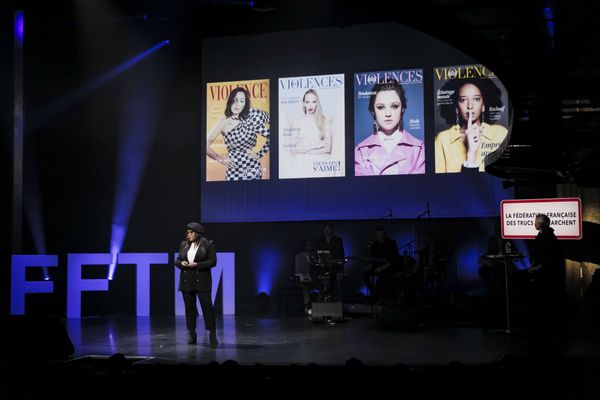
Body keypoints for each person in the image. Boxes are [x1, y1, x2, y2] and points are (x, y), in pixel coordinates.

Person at [434, 77, 508, 173]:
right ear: (456, 107)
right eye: (463, 100)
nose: (470, 106)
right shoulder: (442, 139)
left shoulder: (501, 133)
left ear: (483, 106)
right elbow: (440, 184)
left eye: (476, 99)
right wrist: (471, 153)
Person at [355, 79, 425, 176]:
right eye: (381, 107)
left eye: (394, 106)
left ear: (403, 109)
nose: (388, 114)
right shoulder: (361, 151)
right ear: (372, 111)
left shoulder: (419, 149)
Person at [206, 87, 270, 181]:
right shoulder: (223, 122)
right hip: (234, 172)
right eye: (235, 100)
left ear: (245, 104)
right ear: (230, 101)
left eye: (241, 101)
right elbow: (204, 145)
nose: (237, 104)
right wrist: (221, 159)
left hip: (254, 170)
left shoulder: (251, 117)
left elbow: (273, 134)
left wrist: (259, 154)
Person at [175, 222, 218, 347]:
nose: (188, 235)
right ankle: (192, 334)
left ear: (197, 233)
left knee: (207, 308)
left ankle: (212, 334)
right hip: (187, 280)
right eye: (187, 233)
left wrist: (197, 265)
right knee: (189, 309)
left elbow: (213, 261)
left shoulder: (209, 244)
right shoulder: (184, 245)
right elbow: (177, 260)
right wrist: (181, 263)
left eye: (190, 232)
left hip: (202, 281)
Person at [527, 214, 566, 348]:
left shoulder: (546, 237)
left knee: (544, 301)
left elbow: (548, 256)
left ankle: (545, 331)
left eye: (536, 221)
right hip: (546, 274)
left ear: (541, 223)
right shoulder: (546, 235)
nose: (534, 224)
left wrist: (537, 268)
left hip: (546, 276)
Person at [363, 225, 401, 303]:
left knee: (384, 277)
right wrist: (370, 266)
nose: (380, 236)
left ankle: (381, 296)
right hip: (378, 267)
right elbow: (373, 258)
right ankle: (375, 293)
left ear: (384, 234)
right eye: (378, 234)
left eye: (381, 234)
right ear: (376, 234)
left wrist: (382, 268)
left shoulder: (391, 243)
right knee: (365, 274)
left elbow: (395, 259)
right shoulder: (375, 244)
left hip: (389, 267)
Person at [289, 89, 332, 155]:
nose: (310, 105)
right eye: (307, 102)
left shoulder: (325, 121)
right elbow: (292, 149)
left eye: (314, 102)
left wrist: (306, 151)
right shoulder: (297, 122)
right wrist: (316, 146)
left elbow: (327, 148)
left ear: (317, 103)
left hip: (320, 160)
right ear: (304, 104)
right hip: (301, 160)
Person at [316, 222, 345, 301]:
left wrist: (334, 260)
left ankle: (329, 294)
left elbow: (342, 256)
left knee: (332, 273)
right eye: (325, 229)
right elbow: (317, 253)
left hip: (334, 266)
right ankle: (322, 293)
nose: (326, 231)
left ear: (332, 230)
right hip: (323, 265)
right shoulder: (320, 240)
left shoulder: (338, 240)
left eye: (328, 229)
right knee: (316, 271)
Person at [294, 240, 317, 315]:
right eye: (308, 245)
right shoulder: (299, 256)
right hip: (302, 279)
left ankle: (319, 307)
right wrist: (303, 277)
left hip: (312, 278)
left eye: (310, 245)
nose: (309, 247)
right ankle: (307, 308)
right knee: (305, 287)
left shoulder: (313, 256)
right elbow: (297, 270)